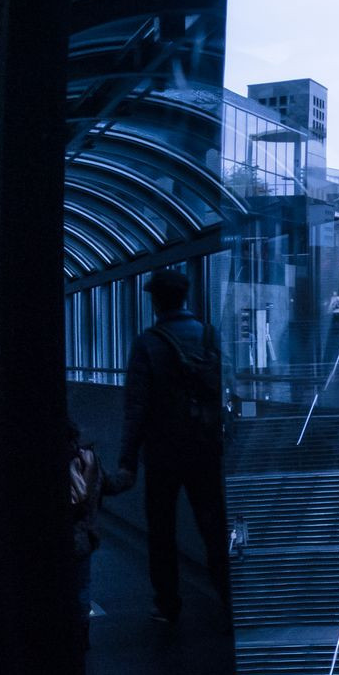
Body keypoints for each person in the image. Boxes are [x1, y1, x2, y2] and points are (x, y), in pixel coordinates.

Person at [116, 267, 232, 625]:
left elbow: (136, 407)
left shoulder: (148, 343)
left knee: (161, 530)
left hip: (163, 452)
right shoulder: (210, 335)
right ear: (185, 297)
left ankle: (168, 604)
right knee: (214, 528)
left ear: (155, 301)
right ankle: (230, 603)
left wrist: (127, 461)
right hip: (206, 448)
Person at [66, 413, 109, 634]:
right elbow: (107, 485)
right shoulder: (89, 462)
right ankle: (82, 635)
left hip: (74, 538)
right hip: (84, 539)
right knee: (83, 588)